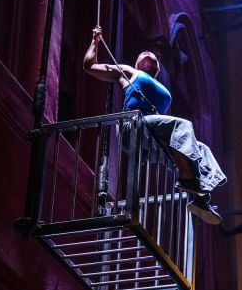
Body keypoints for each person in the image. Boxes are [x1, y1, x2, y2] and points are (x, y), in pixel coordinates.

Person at [83, 26, 226, 225]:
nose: (149, 54)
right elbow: (89, 66)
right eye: (144, 54)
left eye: (153, 56)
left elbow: (171, 132)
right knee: (183, 126)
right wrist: (95, 41)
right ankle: (188, 180)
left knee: (201, 148)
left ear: (158, 68)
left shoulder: (160, 88)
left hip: (150, 133)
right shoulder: (129, 72)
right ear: (138, 62)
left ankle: (200, 200)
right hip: (132, 125)